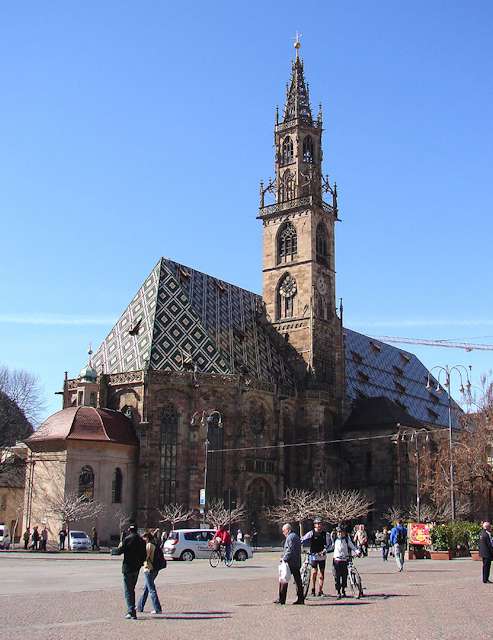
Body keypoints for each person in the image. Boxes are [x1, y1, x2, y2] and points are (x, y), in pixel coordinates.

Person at [115, 524, 147, 620]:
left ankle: (131, 611)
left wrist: (114, 550)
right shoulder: (141, 540)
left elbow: (120, 551)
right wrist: (140, 563)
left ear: (129, 530)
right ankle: (131, 609)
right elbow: (144, 555)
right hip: (136, 568)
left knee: (128, 590)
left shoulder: (127, 539)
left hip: (128, 567)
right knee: (132, 588)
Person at [326, 525, 360, 599]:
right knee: (337, 577)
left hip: (345, 560)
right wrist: (325, 550)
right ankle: (338, 591)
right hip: (336, 560)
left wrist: (357, 551)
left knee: (344, 576)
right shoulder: (335, 540)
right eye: (338, 532)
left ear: (344, 533)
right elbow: (331, 547)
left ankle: (343, 590)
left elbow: (352, 546)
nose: (340, 534)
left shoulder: (347, 540)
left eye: (341, 532)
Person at [301, 517, 330, 597]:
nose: (319, 525)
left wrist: (324, 550)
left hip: (322, 556)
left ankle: (320, 590)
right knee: (314, 572)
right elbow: (303, 539)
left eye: (320, 524)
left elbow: (328, 545)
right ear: (315, 525)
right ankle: (313, 588)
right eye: (317, 524)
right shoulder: (311, 533)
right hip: (313, 555)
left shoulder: (326, 534)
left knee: (321, 574)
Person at [275, 523, 304, 605]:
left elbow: (289, 550)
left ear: (287, 530)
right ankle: (300, 598)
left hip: (291, 562)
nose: (283, 533)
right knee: (298, 580)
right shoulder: (295, 536)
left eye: (283, 531)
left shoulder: (290, 537)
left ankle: (282, 599)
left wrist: (284, 559)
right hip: (296, 561)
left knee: (284, 579)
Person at [137, 532, 163, 614]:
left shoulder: (149, 545)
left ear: (147, 538)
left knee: (151, 589)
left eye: (143, 538)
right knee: (146, 588)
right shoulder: (155, 544)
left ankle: (157, 608)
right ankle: (140, 606)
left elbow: (145, 556)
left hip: (149, 569)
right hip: (155, 569)